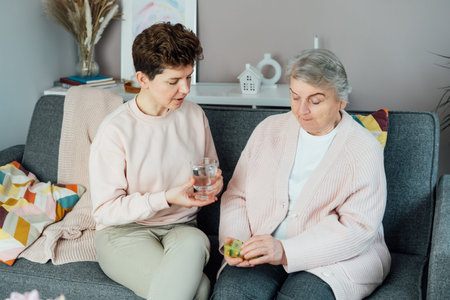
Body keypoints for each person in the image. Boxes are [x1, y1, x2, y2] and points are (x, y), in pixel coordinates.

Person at [212, 49, 390, 300]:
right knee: (232, 293)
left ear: (341, 100)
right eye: (295, 97)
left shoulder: (363, 149)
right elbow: (237, 194)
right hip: (261, 248)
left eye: (315, 101)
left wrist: (285, 251)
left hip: (332, 259)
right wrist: (236, 241)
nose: (302, 110)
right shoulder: (268, 130)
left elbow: (358, 228)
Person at [89, 22, 223, 300]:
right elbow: (104, 211)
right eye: (173, 81)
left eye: (188, 77)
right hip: (124, 233)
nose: (185, 89)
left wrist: (214, 186)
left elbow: (209, 171)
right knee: (199, 289)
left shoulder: (195, 116)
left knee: (195, 246)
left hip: (185, 228)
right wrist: (167, 198)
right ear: (143, 79)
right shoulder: (116, 130)